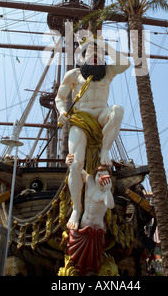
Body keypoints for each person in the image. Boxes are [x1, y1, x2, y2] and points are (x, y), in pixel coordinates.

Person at [55, 35, 130, 230]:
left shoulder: (108, 72)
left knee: (118, 110)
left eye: (99, 53)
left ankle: (105, 150)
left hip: (102, 117)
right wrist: (62, 111)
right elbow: (60, 98)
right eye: (91, 52)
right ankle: (77, 210)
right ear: (83, 56)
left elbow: (126, 63)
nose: (95, 55)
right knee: (75, 165)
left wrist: (106, 46)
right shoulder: (74, 75)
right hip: (81, 120)